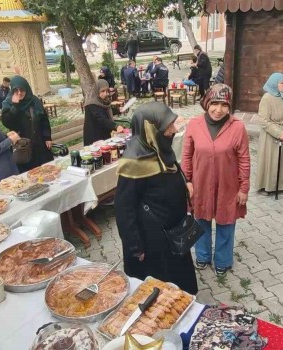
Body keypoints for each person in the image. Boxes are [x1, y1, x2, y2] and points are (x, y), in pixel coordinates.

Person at [115, 102, 198, 294]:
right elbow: (123, 209)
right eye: (168, 126)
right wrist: (135, 246)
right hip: (152, 240)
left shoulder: (159, 149)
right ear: (151, 129)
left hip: (173, 233)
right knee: (158, 290)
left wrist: (184, 184)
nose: (174, 130)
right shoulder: (134, 161)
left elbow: (171, 171)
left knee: (178, 282)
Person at [182, 84, 250, 277]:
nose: (218, 110)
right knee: (201, 221)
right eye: (214, 103)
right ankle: (202, 256)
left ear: (229, 106)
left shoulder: (237, 127)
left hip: (228, 185)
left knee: (226, 223)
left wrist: (243, 188)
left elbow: (244, 159)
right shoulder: (195, 124)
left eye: (224, 105)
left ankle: (223, 260)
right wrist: (187, 181)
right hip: (200, 184)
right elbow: (186, 155)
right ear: (207, 102)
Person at [0, 75, 54, 173]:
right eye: (16, 90)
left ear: (27, 89)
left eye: (22, 90)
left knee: (45, 171)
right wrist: (15, 106)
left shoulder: (34, 101)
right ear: (12, 90)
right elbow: (7, 123)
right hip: (23, 145)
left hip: (39, 142)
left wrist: (47, 137)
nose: (19, 93)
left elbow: (44, 120)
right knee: (29, 174)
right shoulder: (7, 103)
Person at [255, 72, 283, 194]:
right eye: (282, 83)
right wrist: (277, 132)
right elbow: (263, 120)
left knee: (281, 159)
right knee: (270, 159)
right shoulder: (267, 98)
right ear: (275, 84)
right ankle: (267, 186)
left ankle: (279, 185)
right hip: (271, 134)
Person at [83, 79, 124, 145]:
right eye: (102, 91)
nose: (105, 94)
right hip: (94, 138)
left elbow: (107, 110)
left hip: (104, 135)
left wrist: (119, 110)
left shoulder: (102, 101)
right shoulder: (92, 103)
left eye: (106, 91)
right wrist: (116, 126)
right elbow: (102, 118)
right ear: (96, 91)